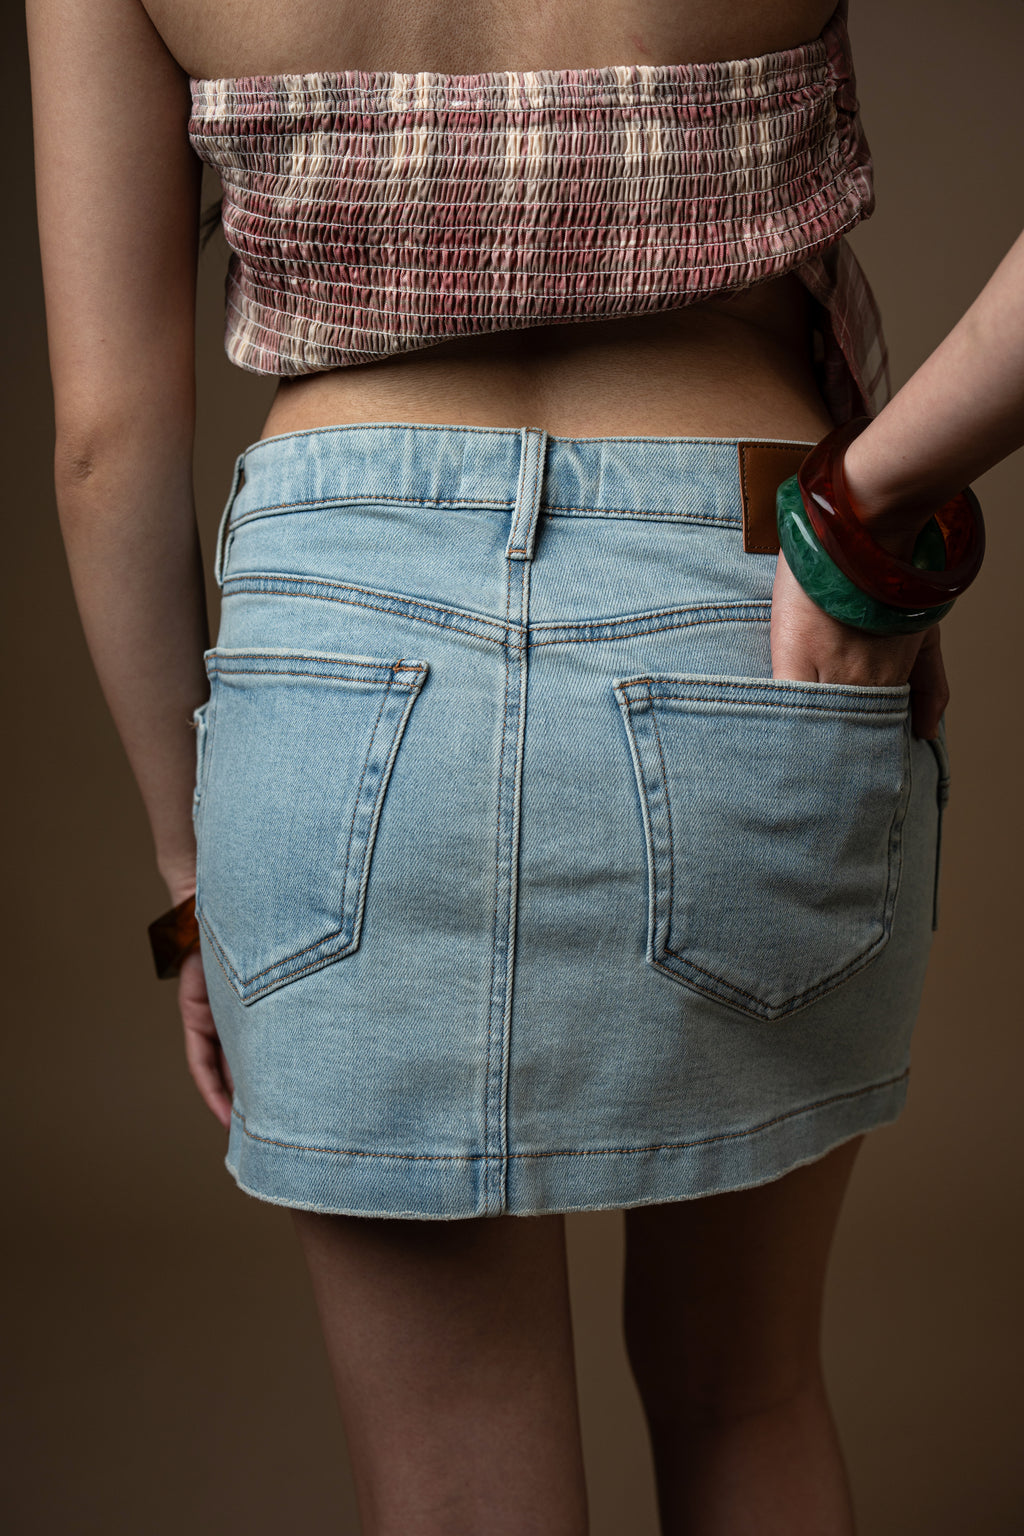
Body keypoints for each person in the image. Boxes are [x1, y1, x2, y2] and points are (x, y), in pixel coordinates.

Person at [25, 0, 1022, 1531]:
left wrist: (188, 872)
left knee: (454, 1486)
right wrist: (879, 499)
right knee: (745, 1397)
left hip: (331, 657)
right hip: (747, 615)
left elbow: (105, 440)